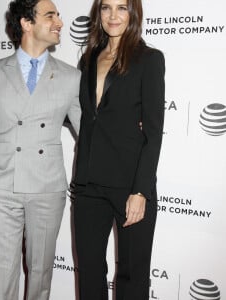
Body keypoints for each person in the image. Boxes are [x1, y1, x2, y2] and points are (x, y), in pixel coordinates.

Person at [0, 0, 81, 299]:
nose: (59, 21)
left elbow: (89, 134)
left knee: (41, 271)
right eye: (50, 15)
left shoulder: (71, 77)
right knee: (2, 269)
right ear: (26, 23)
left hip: (46, 187)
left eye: (58, 15)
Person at [73, 0, 165, 299]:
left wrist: (140, 191)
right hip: (88, 183)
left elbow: (153, 132)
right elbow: (88, 118)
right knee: (88, 271)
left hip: (130, 184)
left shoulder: (149, 59)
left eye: (122, 8)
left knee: (131, 275)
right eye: (106, 8)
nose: (113, 15)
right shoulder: (88, 59)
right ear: (97, 13)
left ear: (133, 13)